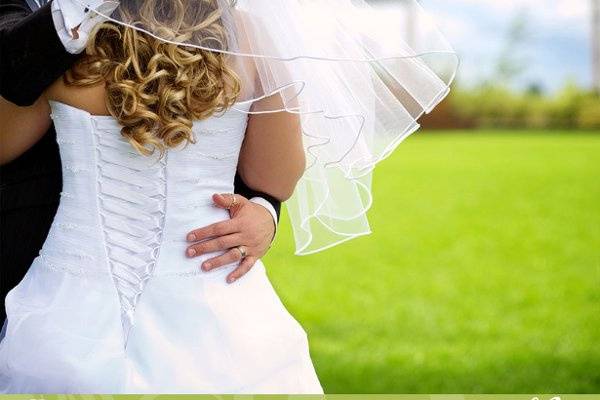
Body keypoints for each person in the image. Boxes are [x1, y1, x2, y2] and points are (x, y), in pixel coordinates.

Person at [0, 0, 283, 324]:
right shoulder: (252, 38)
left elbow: (3, 141)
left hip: (73, 299)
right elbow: (277, 177)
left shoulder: (78, 48)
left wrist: (265, 211)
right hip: (207, 291)